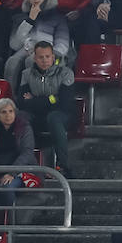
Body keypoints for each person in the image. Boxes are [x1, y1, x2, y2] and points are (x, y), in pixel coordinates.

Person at [17, 43, 75, 174]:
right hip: (37, 115)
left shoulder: (66, 73)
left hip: (62, 115)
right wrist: (51, 98)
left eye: (47, 56)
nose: (44, 60)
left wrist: (34, 100)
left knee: (53, 118)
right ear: (34, 58)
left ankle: (63, 166)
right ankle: (23, 164)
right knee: (20, 116)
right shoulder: (26, 74)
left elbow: (65, 102)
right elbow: (21, 102)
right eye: (41, 57)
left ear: (53, 57)